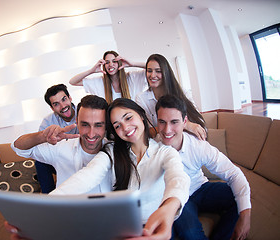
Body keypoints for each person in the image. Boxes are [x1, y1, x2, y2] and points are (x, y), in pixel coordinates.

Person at [51, 98, 190, 240]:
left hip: (153, 225)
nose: (125, 127)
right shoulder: (111, 151)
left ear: (141, 116)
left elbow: (178, 178)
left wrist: (169, 207)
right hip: (121, 228)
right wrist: (49, 203)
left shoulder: (165, 152)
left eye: (128, 118)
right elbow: (87, 176)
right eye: (117, 126)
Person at [155, 95, 251, 240]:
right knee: (190, 234)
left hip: (201, 187)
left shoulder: (198, 146)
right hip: (179, 199)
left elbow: (233, 174)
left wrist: (245, 216)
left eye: (174, 122)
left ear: (185, 122)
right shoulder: (153, 149)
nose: (167, 130)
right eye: (162, 122)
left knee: (242, 199)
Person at [11, 95, 111, 192]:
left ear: (106, 125)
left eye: (98, 125)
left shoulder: (114, 150)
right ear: (77, 121)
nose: (91, 134)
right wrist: (43, 136)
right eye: (85, 124)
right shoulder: (61, 147)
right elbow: (18, 147)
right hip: (67, 208)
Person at [136, 53, 206, 140]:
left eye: (158, 71)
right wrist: (184, 125)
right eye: (149, 71)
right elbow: (149, 132)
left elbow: (197, 121)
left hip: (186, 140)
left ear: (166, 73)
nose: (152, 75)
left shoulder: (182, 92)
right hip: (161, 143)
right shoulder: (141, 98)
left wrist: (188, 126)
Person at [36, 83, 78, 193]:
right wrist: (51, 141)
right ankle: (49, 198)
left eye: (64, 99)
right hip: (61, 159)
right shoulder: (47, 122)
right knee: (39, 162)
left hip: (83, 157)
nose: (63, 106)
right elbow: (41, 149)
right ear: (52, 107)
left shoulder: (84, 111)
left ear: (70, 98)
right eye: (56, 104)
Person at [69, 50, 147, 103]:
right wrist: (92, 70)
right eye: (107, 62)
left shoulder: (132, 77)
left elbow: (154, 68)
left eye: (114, 61)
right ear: (104, 66)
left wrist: (132, 64)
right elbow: (73, 82)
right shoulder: (99, 82)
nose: (110, 65)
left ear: (119, 62)